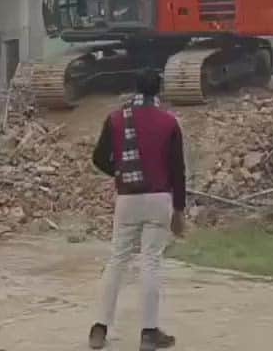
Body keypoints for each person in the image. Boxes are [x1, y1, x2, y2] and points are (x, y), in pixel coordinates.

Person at [87, 68, 186, 351]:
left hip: (127, 198)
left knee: (117, 260)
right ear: (158, 90)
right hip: (158, 199)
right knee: (151, 263)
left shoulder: (117, 119)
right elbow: (178, 171)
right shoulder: (169, 123)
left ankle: (99, 328)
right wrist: (179, 210)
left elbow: (98, 158)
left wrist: (120, 172)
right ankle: (149, 333)